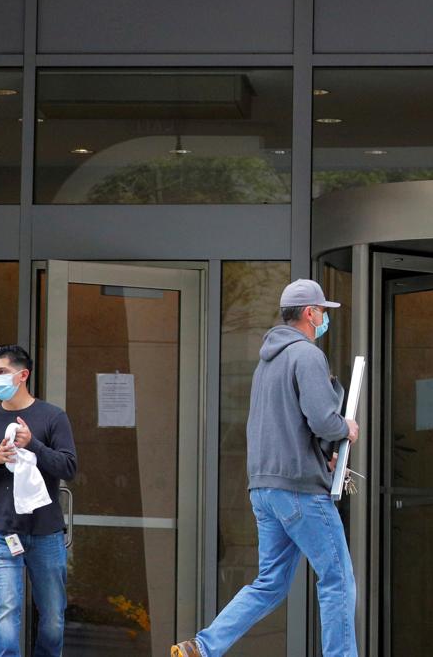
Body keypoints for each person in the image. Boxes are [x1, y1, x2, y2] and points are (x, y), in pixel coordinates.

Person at [172, 279, 360, 657]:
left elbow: (285, 427)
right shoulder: (307, 355)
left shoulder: (267, 362)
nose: (324, 319)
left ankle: (202, 647)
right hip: (300, 489)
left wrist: (322, 453)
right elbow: (323, 421)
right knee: (338, 580)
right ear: (309, 313)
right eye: (323, 312)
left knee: (270, 584)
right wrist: (346, 428)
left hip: (265, 489)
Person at [0, 345, 77, 657]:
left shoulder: (53, 417)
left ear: (23, 375)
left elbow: (69, 467)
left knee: (53, 616)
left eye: (1, 371)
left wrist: (34, 445)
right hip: (2, 532)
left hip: (46, 532)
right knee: (5, 610)